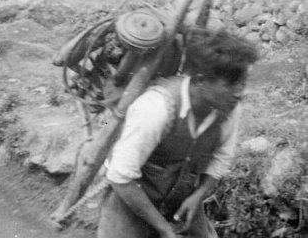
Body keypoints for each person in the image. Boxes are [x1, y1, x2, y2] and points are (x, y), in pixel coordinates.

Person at [97, 28, 258, 238]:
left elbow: (220, 160)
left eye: (242, 83)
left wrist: (198, 196)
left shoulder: (228, 109)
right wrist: (164, 230)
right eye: (231, 84)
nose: (239, 92)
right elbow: (120, 177)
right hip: (130, 198)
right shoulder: (156, 109)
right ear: (200, 80)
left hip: (181, 199)